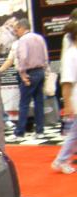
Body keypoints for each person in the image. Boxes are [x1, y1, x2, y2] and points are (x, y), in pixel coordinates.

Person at [13, 19, 49, 140]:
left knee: (24, 103)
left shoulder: (23, 40)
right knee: (39, 102)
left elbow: (23, 57)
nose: (16, 32)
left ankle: (19, 132)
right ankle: (40, 131)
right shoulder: (39, 38)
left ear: (22, 28)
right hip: (40, 71)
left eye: (17, 29)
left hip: (29, 73)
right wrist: (46, 72)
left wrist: (23, 74)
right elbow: (46, 57)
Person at [51, 21, 77, 174]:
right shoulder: (70, 55)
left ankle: (61, 160)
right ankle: (61, 160)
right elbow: (66, 82)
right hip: (75, 97)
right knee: (74, 133)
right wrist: (67, 104)